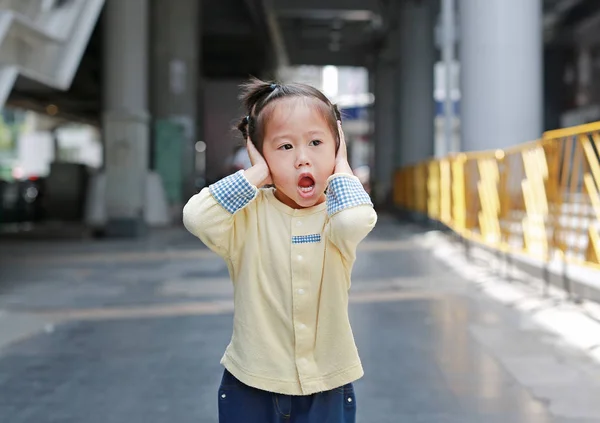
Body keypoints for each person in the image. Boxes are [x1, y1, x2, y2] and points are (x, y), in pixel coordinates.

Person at [182, 78, 377, 423]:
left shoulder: (338, 213)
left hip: (326, 383)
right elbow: (196, 217)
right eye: (284, 147)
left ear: (336, 146)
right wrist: (256, 173)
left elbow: (354, 223)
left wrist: (343, 165)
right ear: (259, 152)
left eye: (317, 143)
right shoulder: (247, 215)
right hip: (252, 382)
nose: (303, 159)